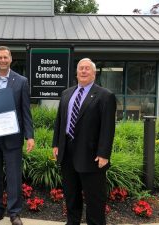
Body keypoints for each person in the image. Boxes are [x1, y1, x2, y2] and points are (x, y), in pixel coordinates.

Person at [52, 58, 116, 225]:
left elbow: (108, 128)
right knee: (71, 195)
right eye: (81, 68)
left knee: (94, 198)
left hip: (92, 155)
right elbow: (60, 121)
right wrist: (56, 144)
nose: (84, 71)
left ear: (94, 73)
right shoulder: (67, 93)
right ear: (77, 72)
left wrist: (104, 153)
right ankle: (72, 222)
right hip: (67, 152)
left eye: (87, 68)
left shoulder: (105, 96)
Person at [0, 46, 34, 225]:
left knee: (14, 177)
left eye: (6, 57)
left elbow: (26, 111)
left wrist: (30, 136)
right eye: (0, 57)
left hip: (13, 137)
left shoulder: (21, 81)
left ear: (11, 59)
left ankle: (14, 213)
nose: (3, 60)